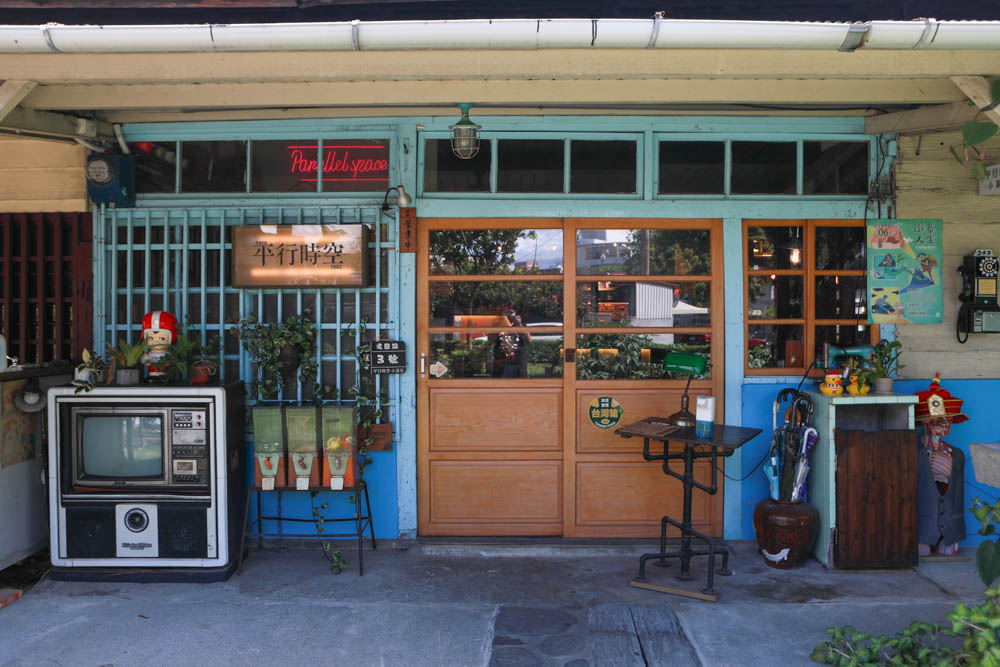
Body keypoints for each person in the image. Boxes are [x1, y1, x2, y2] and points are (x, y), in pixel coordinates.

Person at [914, 373, 969, 557]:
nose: (944, 423)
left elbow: (957, 497)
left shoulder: (957, 455)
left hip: (951, 530)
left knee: (949, 551)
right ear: (924, 421)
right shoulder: (912, 452)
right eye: (937, 419)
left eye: (949, 419)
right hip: (922, 528)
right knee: (921, 550)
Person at [492, 310, 531, 378]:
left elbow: (528, 341)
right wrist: (499, 325)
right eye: (507, 312)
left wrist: (519, 325)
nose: (509, 315)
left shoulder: (521, 325)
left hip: (519, 365)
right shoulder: (498, 324)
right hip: (501, 365)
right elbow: (490, 339)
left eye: (511, 313)